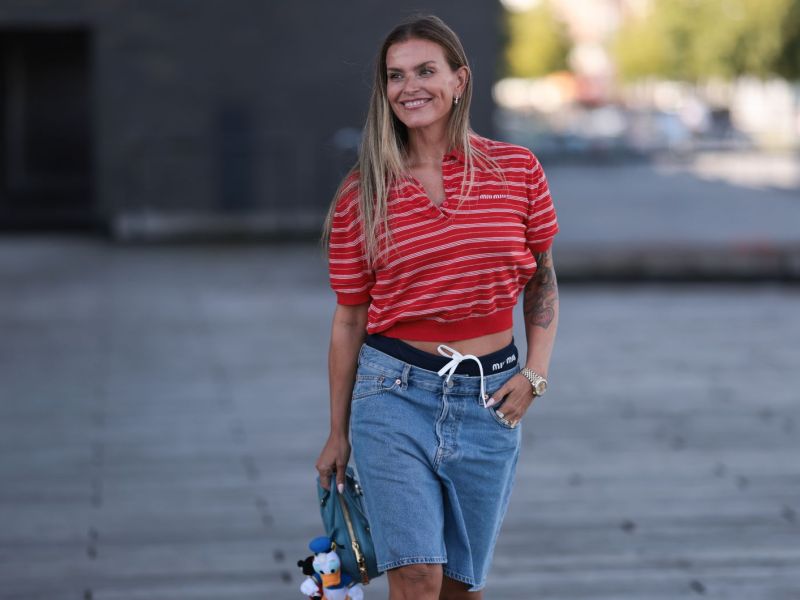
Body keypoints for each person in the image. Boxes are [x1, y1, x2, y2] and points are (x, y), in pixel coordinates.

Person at [316, 14, 559, 600]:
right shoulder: (362, 191)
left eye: (426, 70)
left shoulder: (517, 170)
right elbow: (349, 318)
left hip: (491, 400)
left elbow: (542, 280)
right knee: (416, 578)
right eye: (395, 76)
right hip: (392, 395)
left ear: (460, 80)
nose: (410, 86)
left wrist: (536, 373)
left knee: (458, 587)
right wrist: (336, 431)